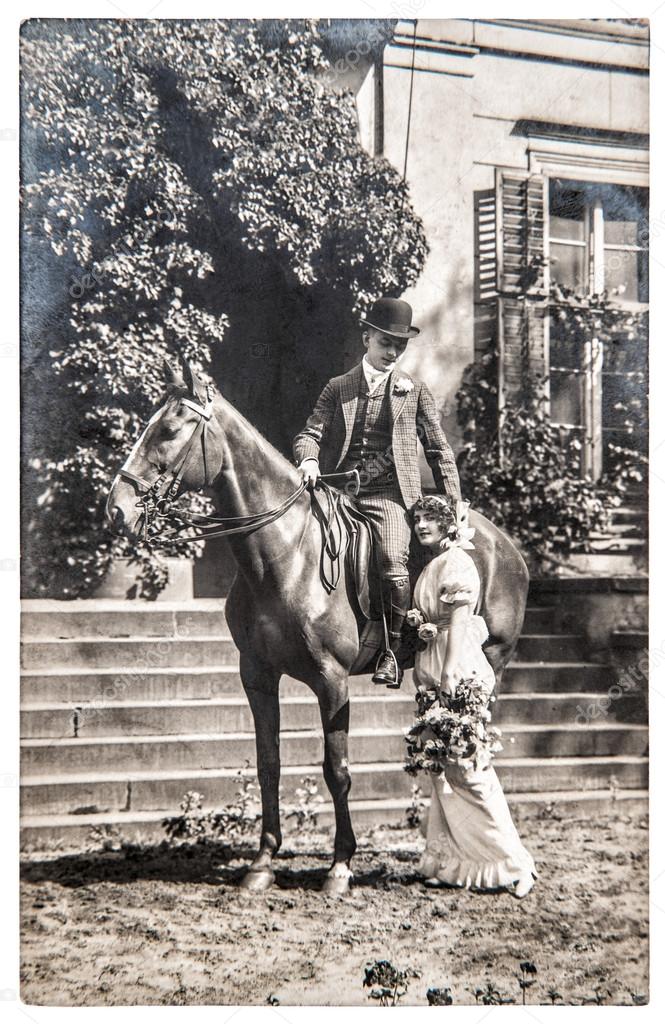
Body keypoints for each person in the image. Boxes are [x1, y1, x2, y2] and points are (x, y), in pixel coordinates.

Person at [293, 297, 461, 688]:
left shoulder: (414, 391)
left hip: (390, 495)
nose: (392, 352)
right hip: (342, 493)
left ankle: (390, 649)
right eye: (385, 342)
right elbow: (310, 433)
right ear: (366, 337)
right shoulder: (338, 388)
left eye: (399, 346)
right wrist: (309, 461)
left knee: (390, 557)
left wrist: (454, 502)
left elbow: (438, 449)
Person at [408, 495, 537, 898]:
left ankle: (515, 865)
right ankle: (453, 863)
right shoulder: (433, 564)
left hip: (457, 669)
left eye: (432, 518)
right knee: (443, 771)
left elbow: (461, 625)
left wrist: (448, 675)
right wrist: (422, 627)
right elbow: (439, 621)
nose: (422, 525)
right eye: (418, 520)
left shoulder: (459, 564)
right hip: (434, 665)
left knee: (470, 768)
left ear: (449, 524)